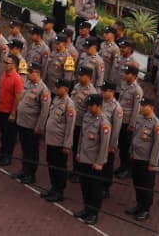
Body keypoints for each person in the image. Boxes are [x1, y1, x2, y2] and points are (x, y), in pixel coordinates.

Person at [74, 94, 110, 225]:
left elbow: (104, 145)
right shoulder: (87, 116)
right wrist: (78, 152)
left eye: (91, 105)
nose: (89, 107)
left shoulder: (104, 123)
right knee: (85, 186)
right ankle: (86, 209)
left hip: (94, 162)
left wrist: (99, 162)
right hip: (84, 158)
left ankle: (94, 213)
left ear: (98, 106)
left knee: (95, 188)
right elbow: (82, 137)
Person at [126, 96, 159, 221]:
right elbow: (135, 137)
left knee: (146, 185)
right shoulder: (139, 118)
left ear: (151, 107)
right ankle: (139, 205)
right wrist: (131, 151)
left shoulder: (156, 125)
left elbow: (157, 146)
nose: (141, 108)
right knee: (137, 183)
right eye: (141, 105)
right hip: (136, 157)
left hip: (146, 160)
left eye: (144, 106)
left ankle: (145, 209)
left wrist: (153, 163)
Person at [13, 63, 50, 184]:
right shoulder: (28, 84)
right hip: (22, 123)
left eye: (30, 72)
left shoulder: (43, 89)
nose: (28, 74)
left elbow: (44, 111)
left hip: (32, 125)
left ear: (37, 73)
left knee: (32, 151)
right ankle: (25, 170)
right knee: (25, 149)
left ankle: (31, 174)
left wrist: (39, 127)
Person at [41, 77, 75, 204]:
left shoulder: (69, 105)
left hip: (60, 142)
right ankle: (53, 188)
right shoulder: (56, 99)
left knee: (59, 167)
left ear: (65, 89)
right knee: (51, 164)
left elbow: (70, 127)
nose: (55, 89)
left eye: (58, 87)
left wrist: (67, 145)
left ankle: (59, 191)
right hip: (51, 140)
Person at [0, 54, 25, 165]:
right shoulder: (4, 74)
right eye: (5, 62)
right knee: (3, 134)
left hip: (9, 111)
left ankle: (8, 157)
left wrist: (13, 113)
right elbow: (1, 91)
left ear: (14, 65)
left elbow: (18, 97)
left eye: (7, 63)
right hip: (2, 109)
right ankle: (2, 153)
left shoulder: (17, 79)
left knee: (10, 136)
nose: (5, 64)